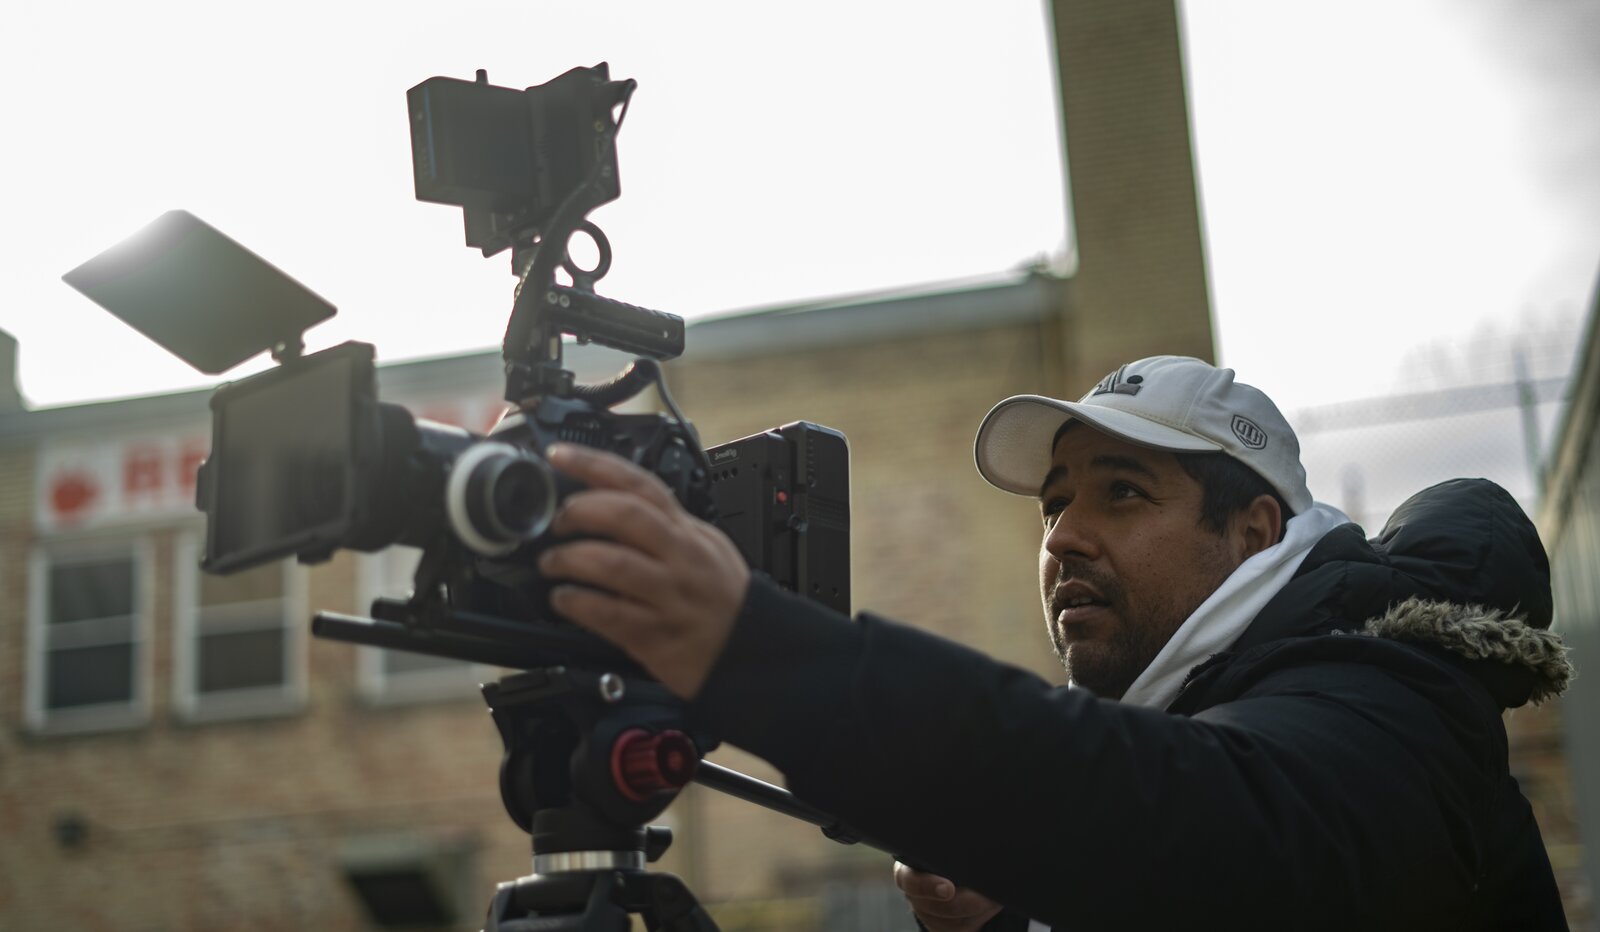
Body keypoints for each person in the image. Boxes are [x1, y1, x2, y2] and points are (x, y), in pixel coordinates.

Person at [536, 354, 1572, 930]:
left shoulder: (1384, 702)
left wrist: (754, 648)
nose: (1065, 534)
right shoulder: (1208, 711)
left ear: (1253, 529)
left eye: (1122, 493)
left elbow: (1182, 814)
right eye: (1054, 502)